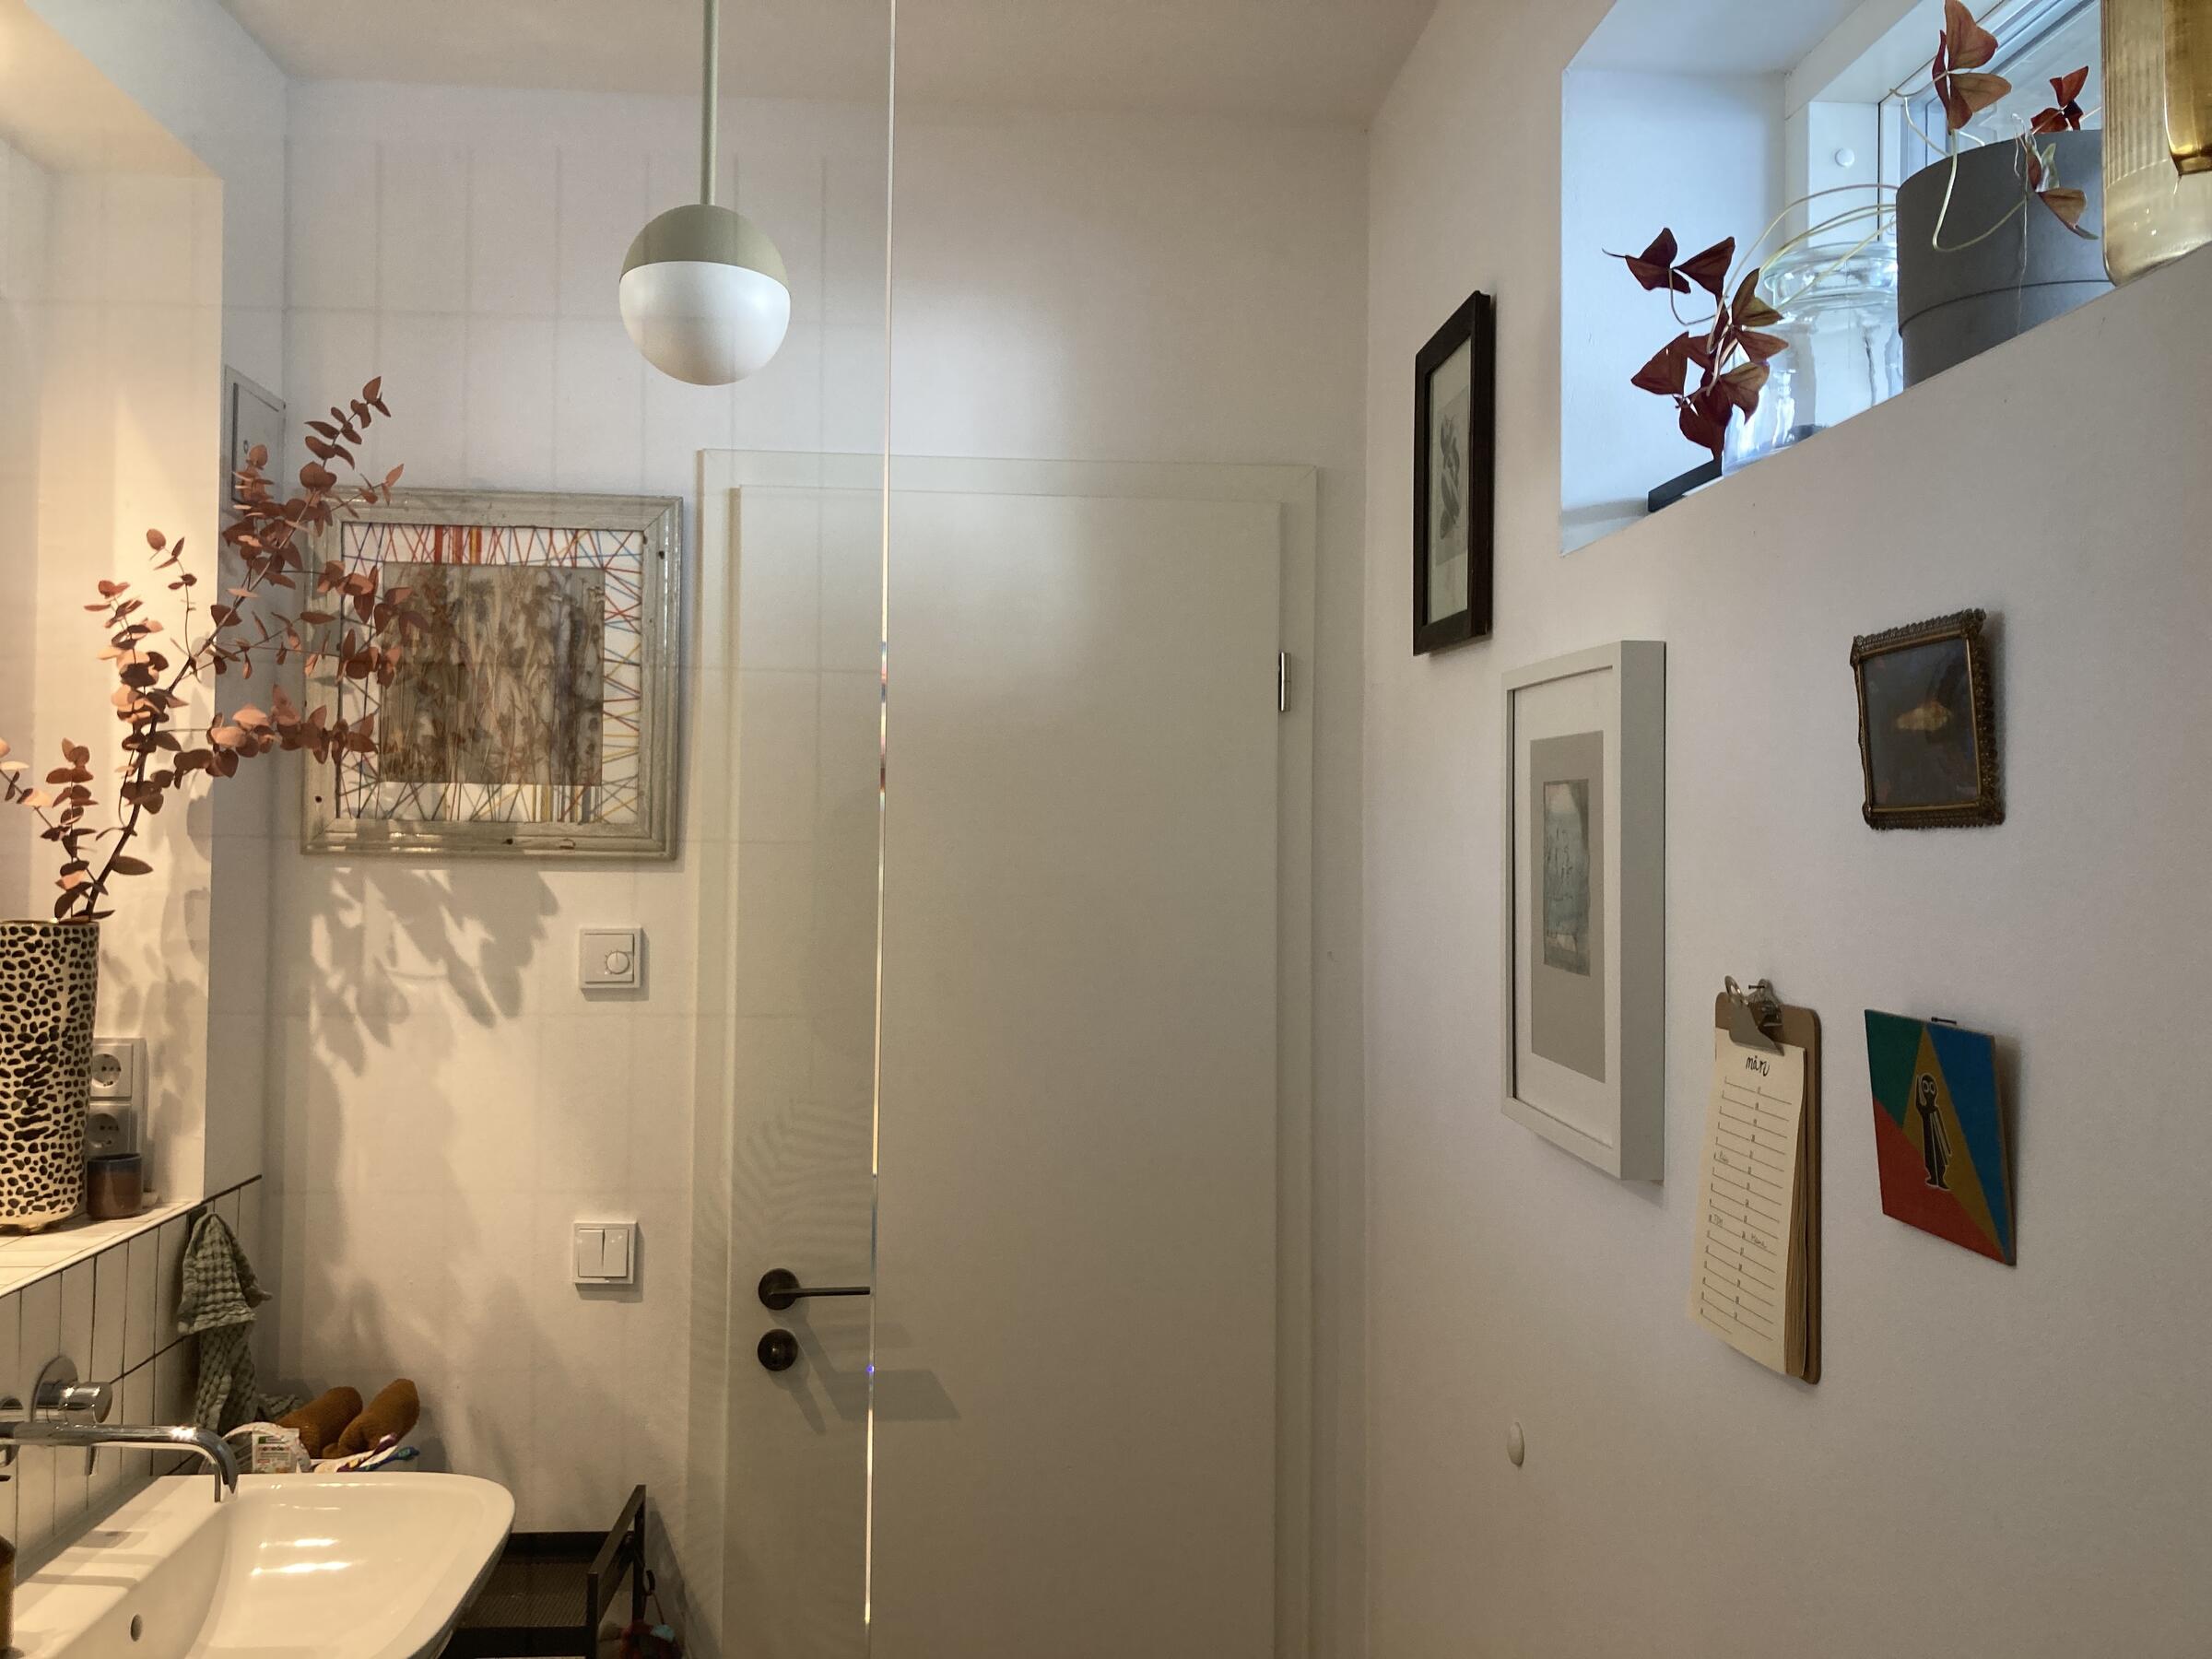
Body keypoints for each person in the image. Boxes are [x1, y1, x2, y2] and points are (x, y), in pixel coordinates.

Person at [1913, 1072, 1952, 1190]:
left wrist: (1946, 1145)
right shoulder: (1925, 1110)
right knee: (1930, 1160)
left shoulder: (1935, 1109)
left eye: (1931, 1088)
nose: (1929, 1092)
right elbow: (1918, 1104)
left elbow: (1941, 1127)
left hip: (1938, 1141)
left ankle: (1940, 1179)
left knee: (1940, 1161)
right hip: (1929, 1140)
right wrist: (1918, 1084)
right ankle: (1934, 1178)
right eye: (1926, 1088)